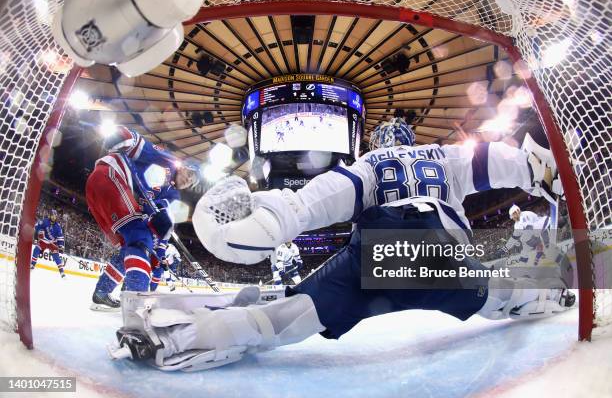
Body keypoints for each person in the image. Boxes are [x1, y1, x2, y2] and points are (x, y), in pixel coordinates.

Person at [110, 127, 572, 371]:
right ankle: (554, 296)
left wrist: (255, 222)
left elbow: (303, 208)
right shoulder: (445, 156)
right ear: (412, 143)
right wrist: (549, 173)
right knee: (499, 296)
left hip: (379, 253)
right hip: (440, 250)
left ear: (378, 145)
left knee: (286, 318)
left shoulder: (369, 164)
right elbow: (517, 163)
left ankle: (174, 340)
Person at [87, 126, 199, 310]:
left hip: (104, 197)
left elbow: (164, 229)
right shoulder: (168, 161)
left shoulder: (174, 197)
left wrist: (160, 256)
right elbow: (138, 143)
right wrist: (121, 135)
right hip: (111, 175)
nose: (189, 180)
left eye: (193, 181)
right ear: (184, 166)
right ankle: (136, 302)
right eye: (190, 174)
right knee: (140, 238)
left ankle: (102, 292)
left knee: (131, 247)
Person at [30, 209, 66, 278]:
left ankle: (61, 272)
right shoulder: (44, 221)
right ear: (49, 215)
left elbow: (60, 237)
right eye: (52, 215)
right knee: (36, 249)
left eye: (55, 216)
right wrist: (37, 237)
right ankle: (32, 265)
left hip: (52, 243)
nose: (53, 217)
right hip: (43, 241)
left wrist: (61, 246)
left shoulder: (58, 227)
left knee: (56, 256)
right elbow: (37, 228)